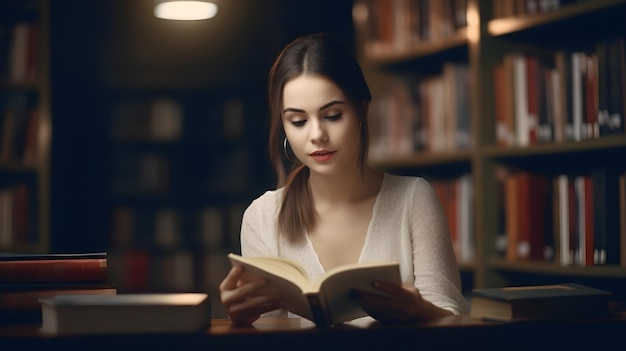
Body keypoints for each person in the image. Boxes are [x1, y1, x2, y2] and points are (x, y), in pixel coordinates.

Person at [219, 32, 466, 326]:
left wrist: (422, 312)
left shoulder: (413, 199)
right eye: (298, 121)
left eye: (333, 115)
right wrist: (243, 321)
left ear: (362, 110)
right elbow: (271, 331)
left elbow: (452, 319)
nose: (317, 135)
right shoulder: (262, 217)